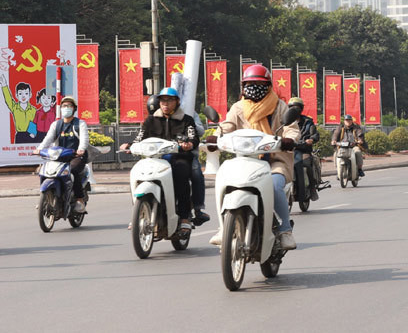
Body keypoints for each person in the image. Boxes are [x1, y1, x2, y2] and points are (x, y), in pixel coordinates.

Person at [210, 65, 300, 250]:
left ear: (268, 86)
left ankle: (284, 231)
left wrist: (289, 140)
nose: (253, 87)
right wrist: (215, 136)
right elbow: (227, 125)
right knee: (225, 181)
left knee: (275, 186)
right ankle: (223, 227)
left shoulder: (279, 106)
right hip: (244, 160)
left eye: (258, 84)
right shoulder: (238, 107)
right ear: (243, 86)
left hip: (274, 160)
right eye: (249, 84)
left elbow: (291, 129)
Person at [120, 87, 198, 233]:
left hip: (178, 158)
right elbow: (140, 138)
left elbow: (193, 137)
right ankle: (138, 213)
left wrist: (189, 144)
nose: (165, 104)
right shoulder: (151, 120)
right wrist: (130, 145)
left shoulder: (186, 120)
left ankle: (184, 218)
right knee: (138, 173)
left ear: (177, 102)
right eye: (162, 100)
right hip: (154, 159)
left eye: (169, 100)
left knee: (181, 175)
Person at [35, 95, 90, 212]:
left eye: (69, 106)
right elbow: (48, 139)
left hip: (76, 156)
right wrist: (39, 149)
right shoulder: (56, 124)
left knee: (73, 171)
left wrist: (81, 150)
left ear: (74, 109)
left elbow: (84, 139)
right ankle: (45, 198)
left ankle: (79, 199)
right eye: (64, 106)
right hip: (59, 156)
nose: (66, 108)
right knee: (44, 171)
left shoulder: (80, 124)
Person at [289, 97, 320, 202]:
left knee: (306, 164)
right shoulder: (285, 122)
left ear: (301, 109)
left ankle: (312, 188)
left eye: (297, 107)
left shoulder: (308, 121)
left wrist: (311, 139)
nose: (294, 110)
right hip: (289, 150)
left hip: (303, 150)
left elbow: (315, 135)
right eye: (292, 107)